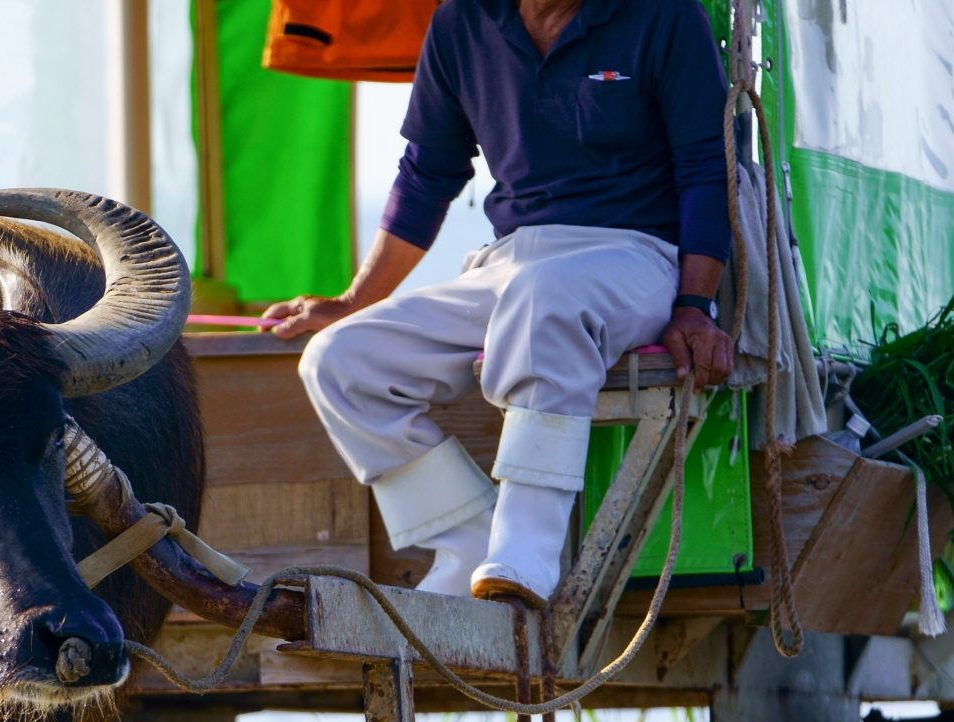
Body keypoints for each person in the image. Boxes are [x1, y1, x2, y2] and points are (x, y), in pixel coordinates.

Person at [264, 0, 735, 608]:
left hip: (637, 254)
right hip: (512, 260)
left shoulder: (665, 15)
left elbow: (707, 168)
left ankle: (526, 551)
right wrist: (355, 300)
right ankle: (467, 545)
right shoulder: (461, 21)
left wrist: (695, 305)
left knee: (545, 298)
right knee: (340, 360)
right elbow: (427, 171)